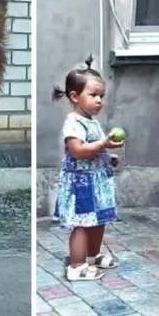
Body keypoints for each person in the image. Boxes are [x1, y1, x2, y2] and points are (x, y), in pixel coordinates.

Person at [51, 54, 124, 281]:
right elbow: (77, 150)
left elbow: (92, 151)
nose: (99, 101)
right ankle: (76, 266)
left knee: (98, 221)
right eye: (93, 95)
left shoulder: (91, 121)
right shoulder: (74, 122)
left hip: (96, 182)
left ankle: (92, 257)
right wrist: (103, 143)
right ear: (74, 96)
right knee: (82, 225)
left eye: (101, 96)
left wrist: (106, 156)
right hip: (81, 185)